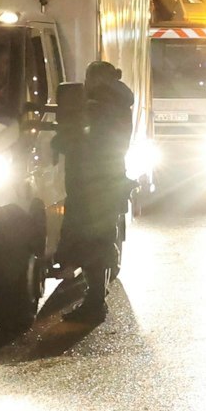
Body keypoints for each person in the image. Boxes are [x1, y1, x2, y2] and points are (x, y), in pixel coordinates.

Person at [59, 61, 135, 324]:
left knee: (94, 241)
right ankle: (97, 293)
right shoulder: (116, 103)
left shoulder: (99, 108)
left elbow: (80, 141)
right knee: (102, 238)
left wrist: (64, 136)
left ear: (96, 80)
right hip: (108, 181)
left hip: (94, 184)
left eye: (89, 78)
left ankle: (95, 303)